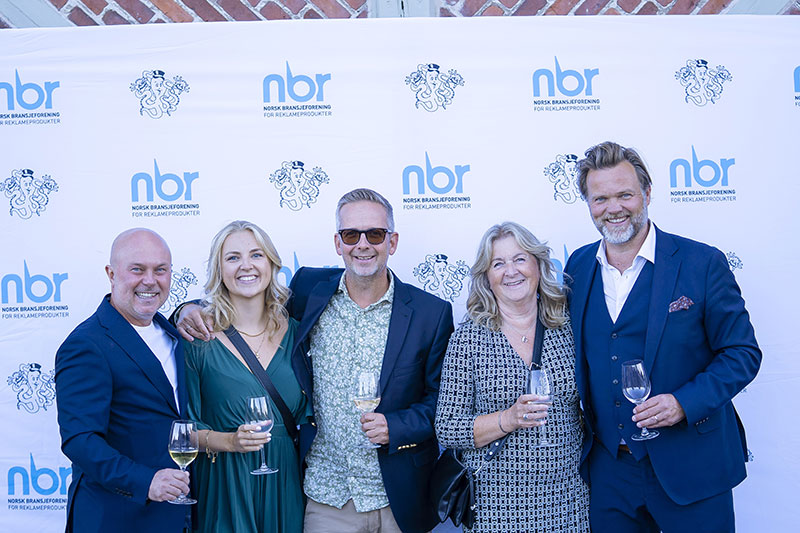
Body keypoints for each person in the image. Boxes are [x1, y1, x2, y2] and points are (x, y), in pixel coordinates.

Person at [177, 188, 454, 533]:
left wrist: (397, 427)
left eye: (375, 234)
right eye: (351, 235)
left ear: (392, 241)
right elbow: (246, 297)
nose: (362, 244)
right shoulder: (309, 291)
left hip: (399, 496)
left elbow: (444, 402)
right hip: (327, 496)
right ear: (338, 243)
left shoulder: (430, 313)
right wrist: (186, 309)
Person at [565, 141, 761, 532]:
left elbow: (742, 352)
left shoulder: (702, 263)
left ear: (647, 193)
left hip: (692, 466)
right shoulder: (578, 266)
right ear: (588, 203)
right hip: (609, 471)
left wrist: (683, 403)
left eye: (625, 194)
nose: (613, 208)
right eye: (600, 198)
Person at [435, 221, 589, 533]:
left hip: (570, 501)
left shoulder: (569, 327)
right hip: (496, 507)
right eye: (498, 264)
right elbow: (448, 428)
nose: (511, 271)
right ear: (487, 278)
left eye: (520, 259)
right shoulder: (469, 339)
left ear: (538, 265)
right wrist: (508, 418)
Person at [55, 228, 190, 533]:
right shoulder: (86, 344)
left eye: (160, 270)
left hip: (173, 517)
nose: (150, 281)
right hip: (115, 518)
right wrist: (146, 481)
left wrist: (191, 307)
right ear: (111, 274)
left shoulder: (172, 333)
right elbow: (80, 440)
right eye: (137, 269)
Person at [183, 220, 308, 533]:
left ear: (271, 263)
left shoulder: (299, 335)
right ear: (219, 269)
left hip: (285, 482)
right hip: (224, 483)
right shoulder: (198, 339)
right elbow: (183, 430)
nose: (246, 266)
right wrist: (229, 441)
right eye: (233, 257)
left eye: (256, 255)